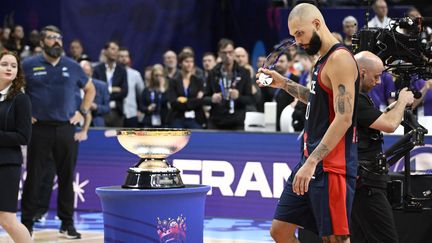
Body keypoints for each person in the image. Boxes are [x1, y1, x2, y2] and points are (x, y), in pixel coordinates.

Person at [259, 3, 359, 242]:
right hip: (310, 160)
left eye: (299, 33)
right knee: (280, 231)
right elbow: (316, 100)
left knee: (335, 238)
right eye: (294, 36)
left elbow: (344, 118)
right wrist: (284, 83)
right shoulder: (322, 59)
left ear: (316, 24)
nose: (297, 41)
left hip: (331, 165)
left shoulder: (340, 59)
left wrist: (313, 161)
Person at [21, 25, 95, 239]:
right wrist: (24, 111)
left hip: (66, 128)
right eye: (52, 38)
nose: (57, 42)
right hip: (39, 128)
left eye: (59, 38)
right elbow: (13, 88)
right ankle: (27, 223)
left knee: (66, 177)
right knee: (34, 176)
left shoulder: (73, 66)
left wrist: (82, 111)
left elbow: (90, 89)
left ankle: (67, 223)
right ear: (42, 42)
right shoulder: (29, 65)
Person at [351, 51, 414, 243]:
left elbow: (374, 119)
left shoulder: (351, 95)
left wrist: (393, 108)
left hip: (359, 181)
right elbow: (390, 125)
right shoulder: (355, 98)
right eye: (376, 76)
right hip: (366, 184)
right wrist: (403, 100)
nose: (379, 82)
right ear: (362, 73)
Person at [0, 51, 33, 243]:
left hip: (7, 164)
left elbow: (23, 136)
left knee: (8, 220)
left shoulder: (21, 99)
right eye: (5, 64)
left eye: (13, 65)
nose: (9, 68)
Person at [203, 38, 254, 130]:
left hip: (236, 121)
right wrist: (212, 99)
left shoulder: (244, 73)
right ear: (219, 54)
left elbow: (250, 100)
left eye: (230, 52)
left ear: (234, 53)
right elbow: (204, 98)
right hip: (216, 121)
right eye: (224, 53)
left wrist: (238, 97)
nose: (227, 55)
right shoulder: (213, 73)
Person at [93, 41, 128, 127]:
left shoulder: (122, 70)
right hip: (100, 112)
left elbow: (124, 92)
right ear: (105, 51)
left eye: (117, 50)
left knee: (117, 139)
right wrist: (112, 89)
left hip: (117, 112)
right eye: (112, 49)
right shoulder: (97, 69)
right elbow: (96, 90)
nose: (115, 52)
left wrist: (105, 94)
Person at [167, 51, 206, 129]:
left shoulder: (198, 81)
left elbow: (200, 101)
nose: (189, 64)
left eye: (191, 62)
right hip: (177, 117)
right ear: (180, 63)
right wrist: (193, 101)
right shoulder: (174, 81)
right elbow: (173, 102)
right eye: (186, 61)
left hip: (195, 118)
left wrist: (184, 101)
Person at [118, 47, 145, 128]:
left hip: (131, 113)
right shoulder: (112, 74)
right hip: (116, 113)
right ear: (117, 57)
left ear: (129, 58)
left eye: (126, 56)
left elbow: (141, 94)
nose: (124, 59)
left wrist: (141, 110)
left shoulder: (135, 74)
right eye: (121, 56)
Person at [80, 60, 110, 127]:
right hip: (76, 122)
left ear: (91, 72)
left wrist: (96, 107)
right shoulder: (72, 86)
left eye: (86, 72)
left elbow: (107, 108)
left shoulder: (102, 86)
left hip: (95, 122)